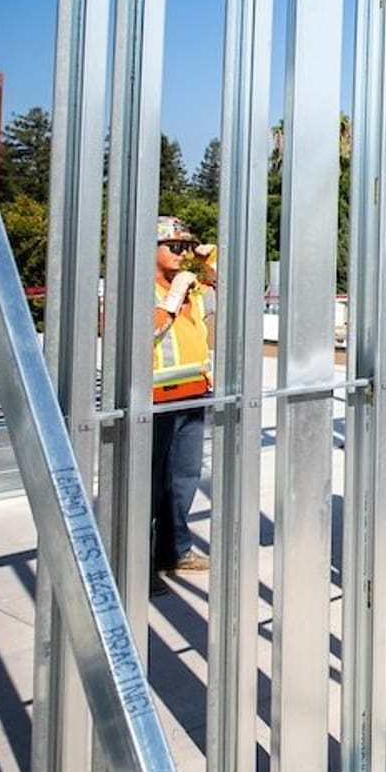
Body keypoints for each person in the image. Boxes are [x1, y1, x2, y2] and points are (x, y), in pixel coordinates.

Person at [151, 216, 217, 595]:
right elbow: (147, 331)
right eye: (174, 247)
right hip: (156, 399)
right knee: (149, 486)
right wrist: (174, 295)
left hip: (192, 395)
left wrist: (207, 262)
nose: (183, 253)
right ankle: (138, 564)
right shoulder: (144, 288)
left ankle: (174, 551)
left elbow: (239, 291)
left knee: (182, 480)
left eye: (186, 247)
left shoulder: (190, 288)